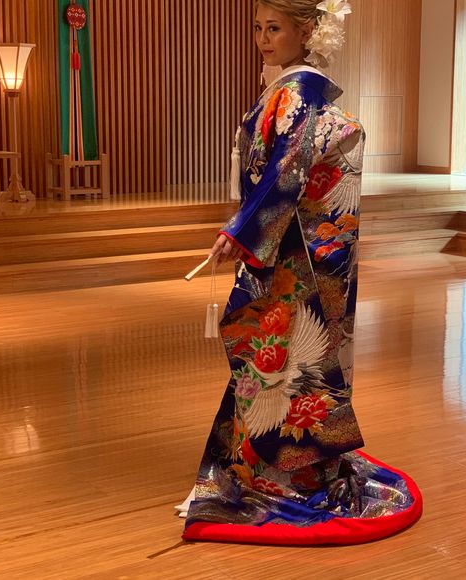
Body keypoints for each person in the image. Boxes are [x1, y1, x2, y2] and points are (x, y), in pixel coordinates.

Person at [180, 0, 422, 545]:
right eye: (258, 28)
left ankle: (288, 477)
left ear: (307, 31)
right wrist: (245, 225)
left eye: (275, 28)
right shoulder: (290, 88)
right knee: (291, 358)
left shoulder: (297, 90)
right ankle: (283, 465)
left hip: (296, 250)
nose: (263, 39)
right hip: (302, 242)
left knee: (290, 358)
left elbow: (287, 170)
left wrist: (242, 231)